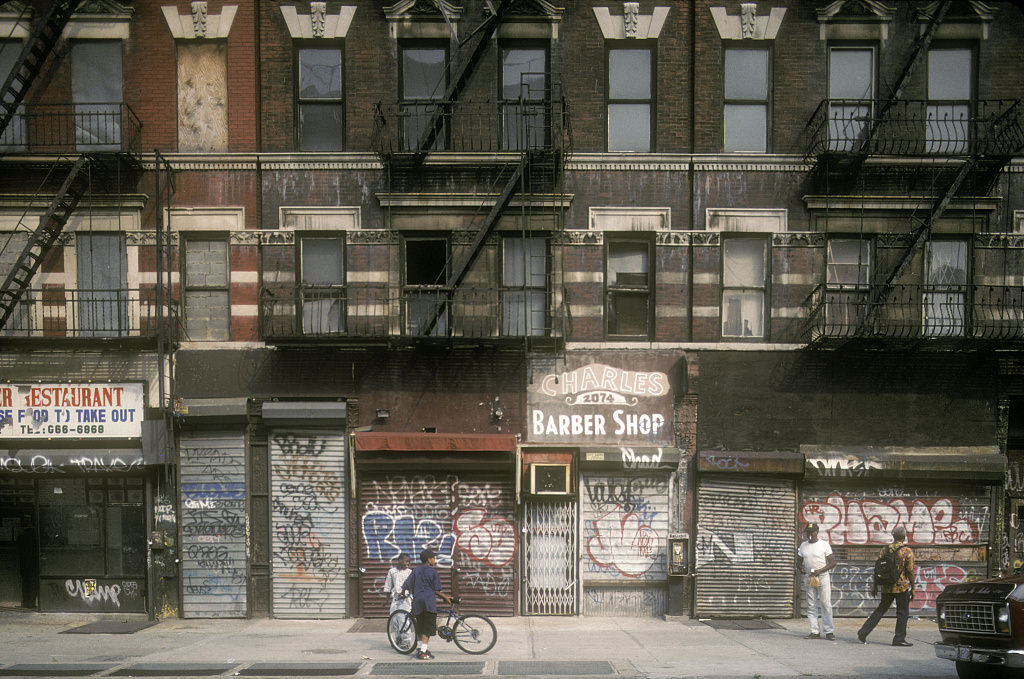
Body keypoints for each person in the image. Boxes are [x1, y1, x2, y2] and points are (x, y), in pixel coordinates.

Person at [857, 525, 915, 647]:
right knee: (902, 612)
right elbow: (910, 571)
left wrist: (875, 585)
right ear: (904, 537)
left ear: (893, 536)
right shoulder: (907, 551)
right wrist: (913, 588)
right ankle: (899, 639)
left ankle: (863, 632)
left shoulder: (884, 550)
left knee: (880, 610)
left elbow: (878, 568)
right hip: (901, 587)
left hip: (887, 586)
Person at [402, 548, 452, 660]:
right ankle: (423, 652)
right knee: (427, 629)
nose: (435, 560)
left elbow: (407, 584)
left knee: (419, 627)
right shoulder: (433, 572)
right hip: (429, 603)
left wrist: (402, 593)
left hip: (417, 603)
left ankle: (421, 649)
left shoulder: (415, 570)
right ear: (429, 560)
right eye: (433, 558)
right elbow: (436, 590)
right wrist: (446, 598)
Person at [797, 522, 836, 640]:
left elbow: (833, 563)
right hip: (809, 577)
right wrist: (802, 569)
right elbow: (798, 563)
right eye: (808, 532)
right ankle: (814, 631)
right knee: (811, 604)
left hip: (822, 576)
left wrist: (820, 571)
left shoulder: (824, 545)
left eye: (812, 532)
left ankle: (829, 631)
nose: (810, 534)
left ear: (817, 532)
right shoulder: (803, 546)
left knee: (825, 603)